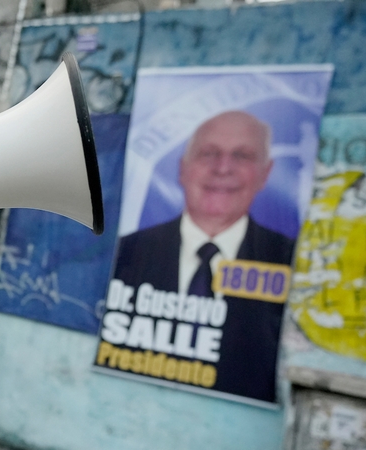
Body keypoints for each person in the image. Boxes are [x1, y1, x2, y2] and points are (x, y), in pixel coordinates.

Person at [112, 110, 295, 403]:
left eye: (242, 156)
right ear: (183, 169)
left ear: (265, 173)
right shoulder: (126, 253)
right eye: (208, 153)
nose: (223, 168)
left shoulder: (290, 261)